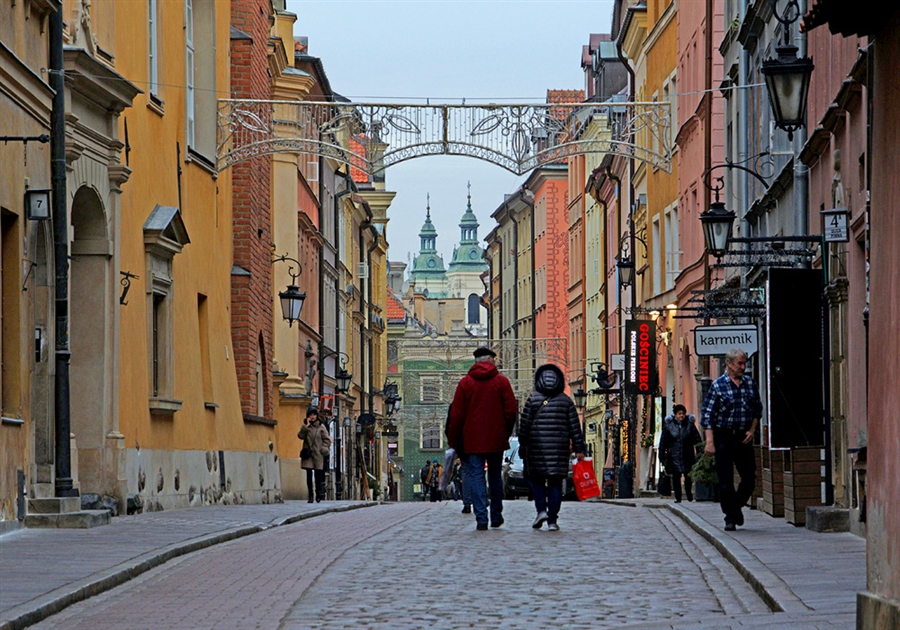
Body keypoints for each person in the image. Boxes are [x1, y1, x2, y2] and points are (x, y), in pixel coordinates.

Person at [446, 346, 518, 531]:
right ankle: (496, 514)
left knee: (477, 476)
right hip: (496, 439)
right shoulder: (502, 382)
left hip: (472, 440)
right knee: (495, 476)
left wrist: (453, 440)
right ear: (491, 361)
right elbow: (511, 411)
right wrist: (506, 432)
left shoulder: (465, 383)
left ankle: (481, 518)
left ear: (476, 362)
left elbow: (456, 415)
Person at [517, 363, 586, 532]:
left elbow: (524, 426)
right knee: (555, 483)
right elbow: (574, 428)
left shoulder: (533, 399)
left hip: (536, 449)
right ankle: (553, 520)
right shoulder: (566, 401)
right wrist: (579, 449)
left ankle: (541, 511)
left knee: (538, 482)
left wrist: (522, 445)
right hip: (559, 450)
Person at [700, 348, 763, 531]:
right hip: (723, 435)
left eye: (744, 363)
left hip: (743, 436)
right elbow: (708, 416)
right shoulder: (718, 386)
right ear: (729, 364)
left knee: (749, 477)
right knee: (725, 479)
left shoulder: (750, 384)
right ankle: (730, 517)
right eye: (739, 363)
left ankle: (735, 508)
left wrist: (752, 430)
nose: (743, 367)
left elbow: (757, 410)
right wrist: (710, 441)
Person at [658, 404, 702, 503]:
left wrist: (699, 451)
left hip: (687, 455)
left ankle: (689, 494)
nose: (681, 416)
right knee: (676, 478)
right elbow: (663, 442)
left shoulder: (689, 425)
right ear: (675, 415)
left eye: (683, 414)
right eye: (679, 414)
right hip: (673, 456)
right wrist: (662, 456)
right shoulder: (669, 425)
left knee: (688, 476)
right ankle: (678, 497)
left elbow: (696, 438)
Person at [297, 407, 331, 503]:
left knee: (318, 475)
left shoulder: (321, 427)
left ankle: (318, 494)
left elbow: (327, 440)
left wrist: (323, 448)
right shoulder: (306, 427)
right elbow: (300, 436)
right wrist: (306, 426)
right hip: (308, 454)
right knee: (308, 475)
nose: (312, 417)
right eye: (310, 415)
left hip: (318, 454)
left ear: (317, 416)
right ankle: (310, 495)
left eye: (314, 415)